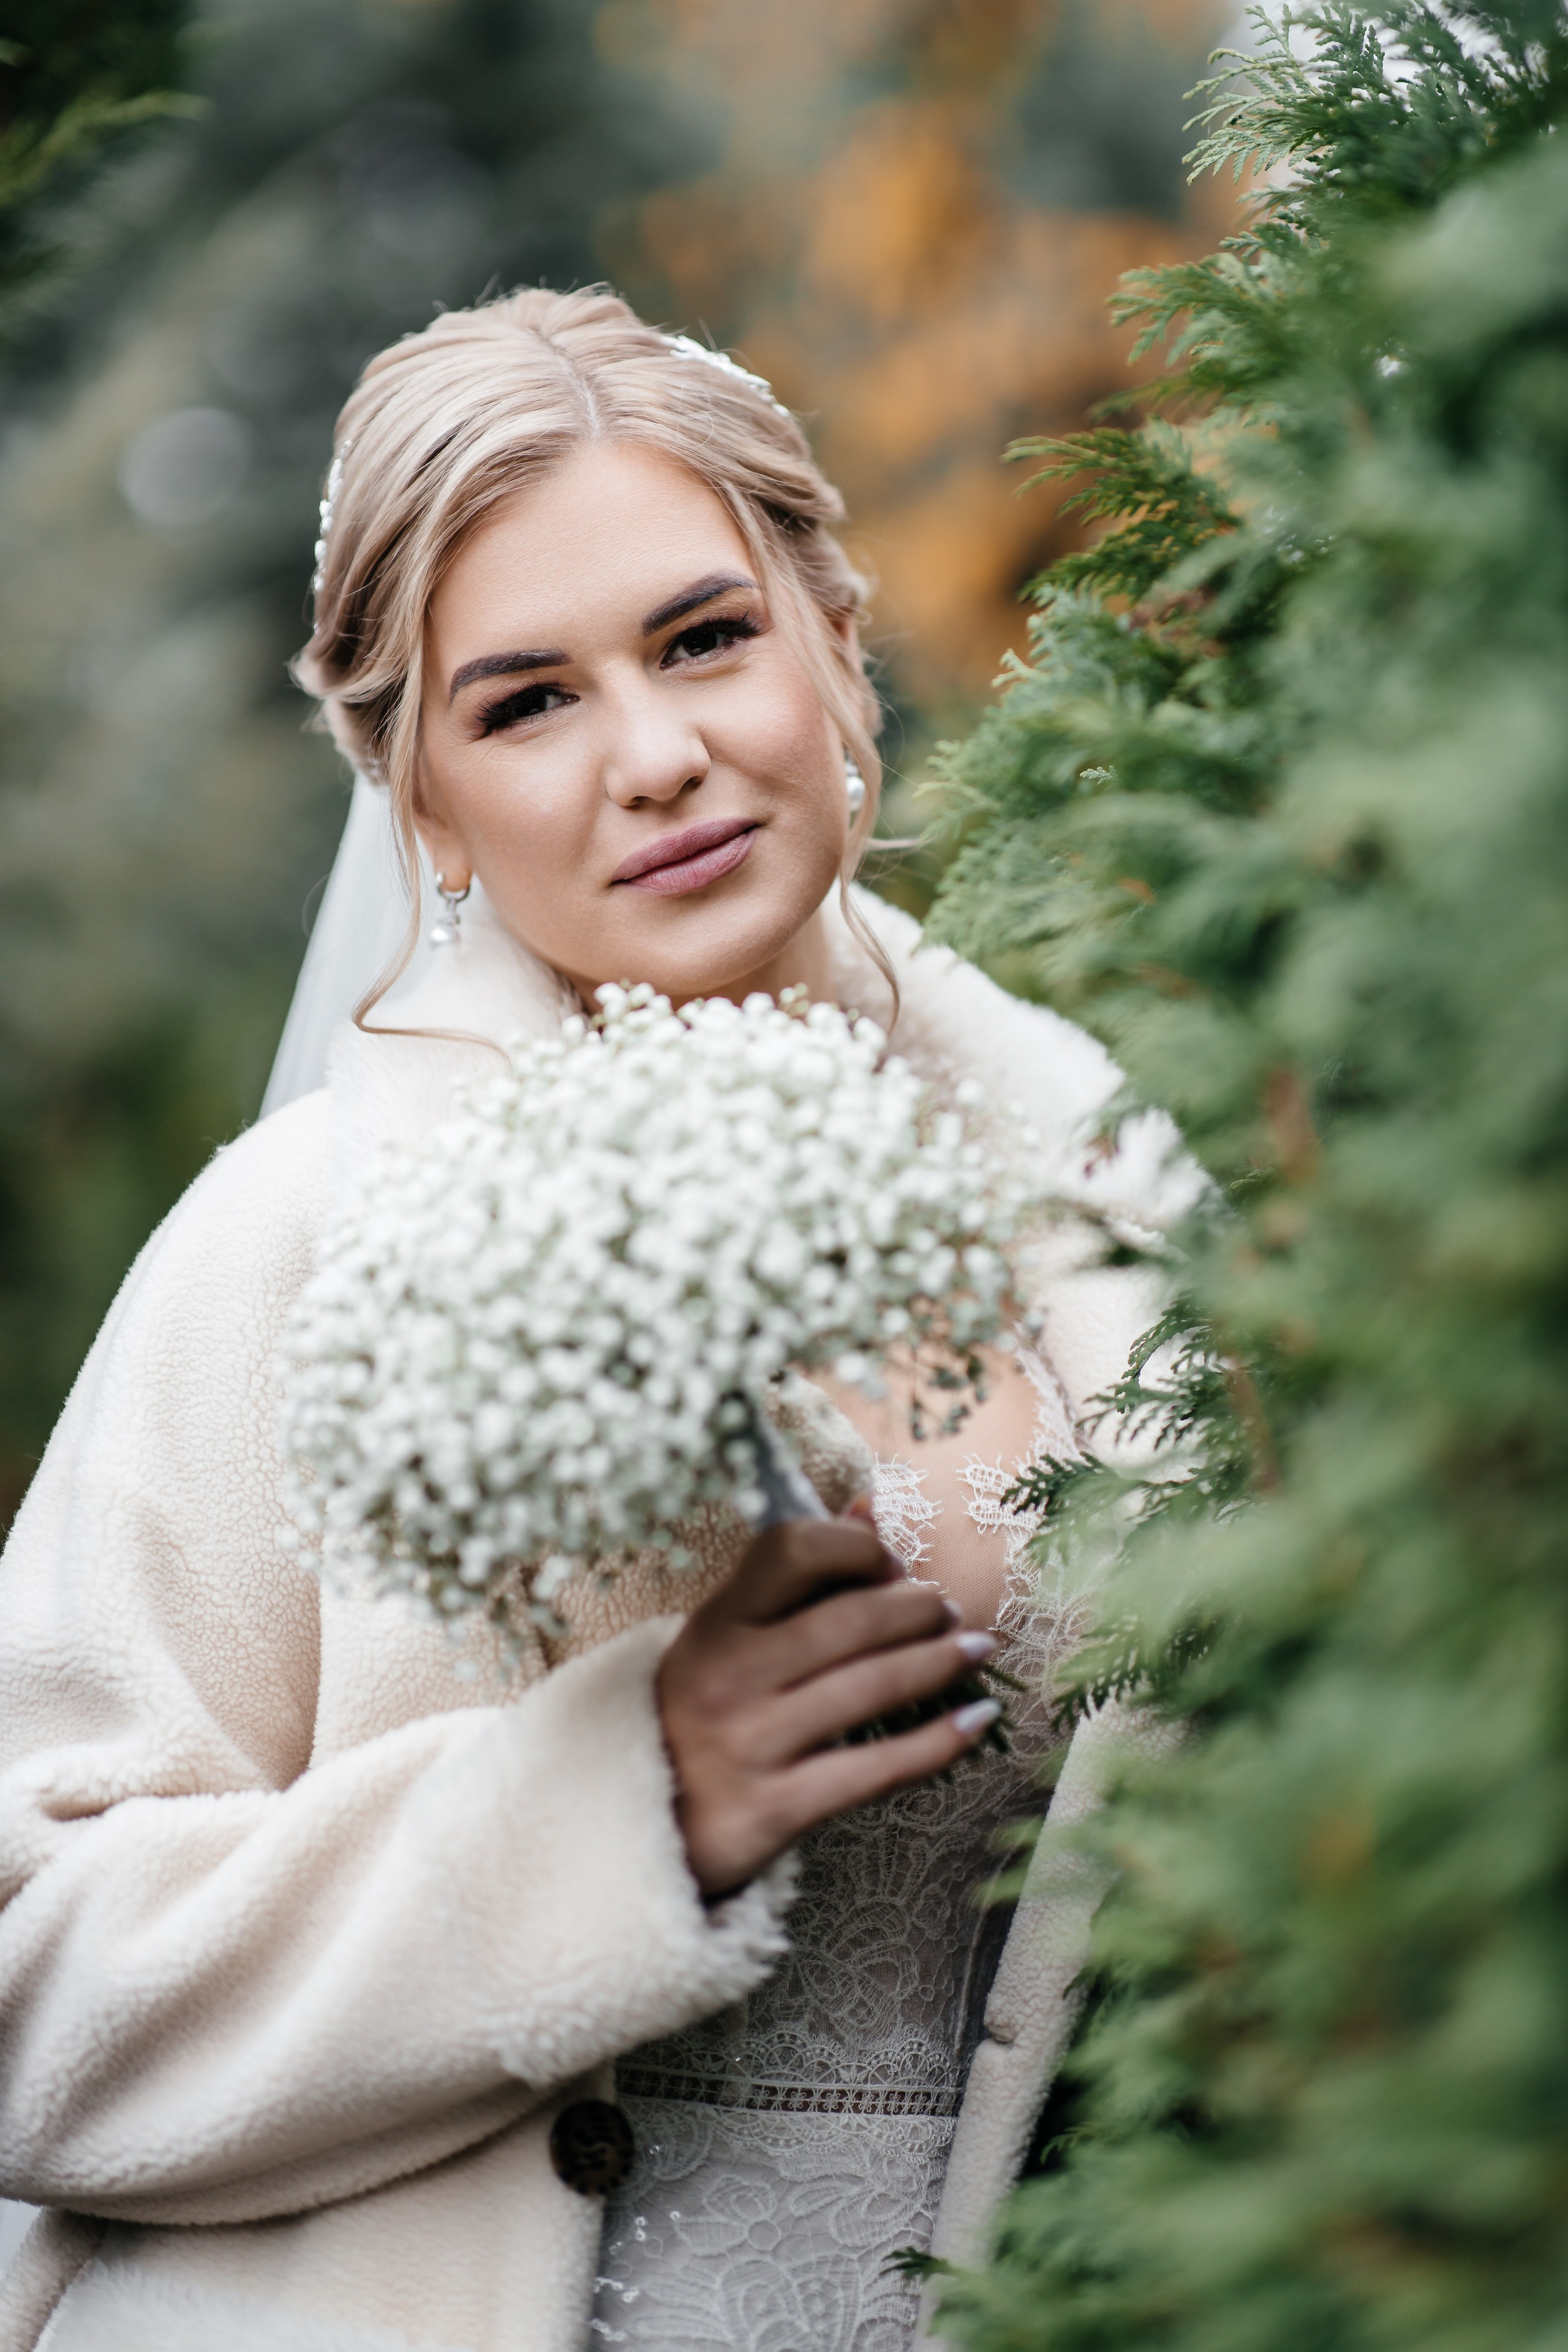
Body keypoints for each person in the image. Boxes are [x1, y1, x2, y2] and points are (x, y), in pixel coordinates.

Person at [0, 288, 1185, 2352]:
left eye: (707, 636)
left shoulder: (1124, 1191)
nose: (656, 758)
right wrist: (609, 1804)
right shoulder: (309, 1241)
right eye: (525, 700)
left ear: (833, 630)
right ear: (419, 797)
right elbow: (31, 1992)